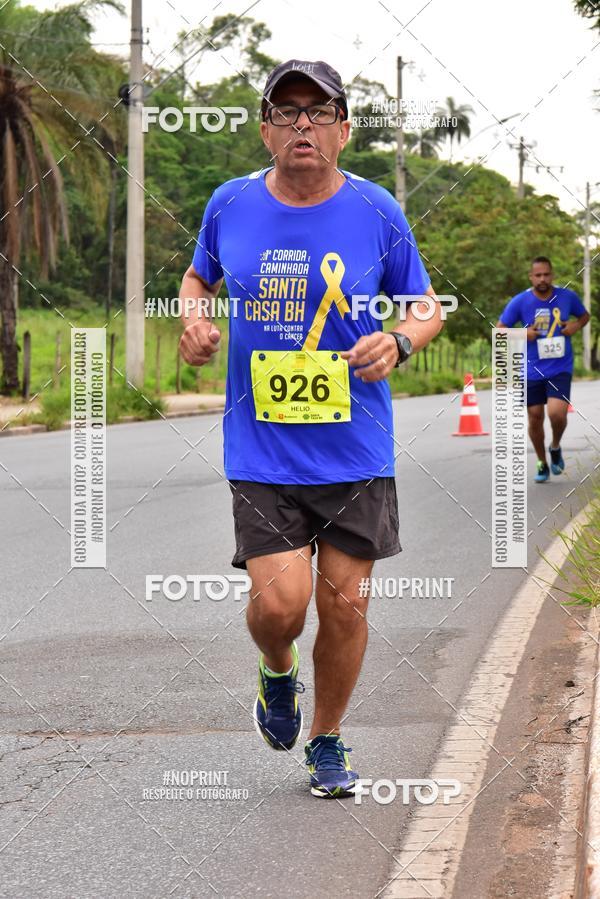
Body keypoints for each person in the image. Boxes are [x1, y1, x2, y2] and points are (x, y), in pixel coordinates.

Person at [178, 59, 442, 798]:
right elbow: (198, 278)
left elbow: (425, 304)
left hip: (355, 448)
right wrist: (195, 318)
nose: (303, 124)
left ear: (345, 130)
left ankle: (326, 738)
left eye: (319, 112)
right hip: (262, 447)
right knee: (283, 606)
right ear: (264, 129)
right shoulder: (230, 204)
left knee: (345, 603)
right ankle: (277, 669)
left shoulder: (376, 209)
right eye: (287, 111)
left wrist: (401, 339)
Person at [497, 256, 589, 483]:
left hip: (560, 367)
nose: (542, 279)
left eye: (546, 274)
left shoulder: (567, 297)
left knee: (557, 414)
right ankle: (541, 461)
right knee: (535, 417)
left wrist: (576, 325)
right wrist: (522, 334)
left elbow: (585, 315)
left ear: (552, 275)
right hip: (530, 370)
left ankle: (555, 446)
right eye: (538, 275)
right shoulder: (520, 302)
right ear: (531, 277)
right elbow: (500, 330)